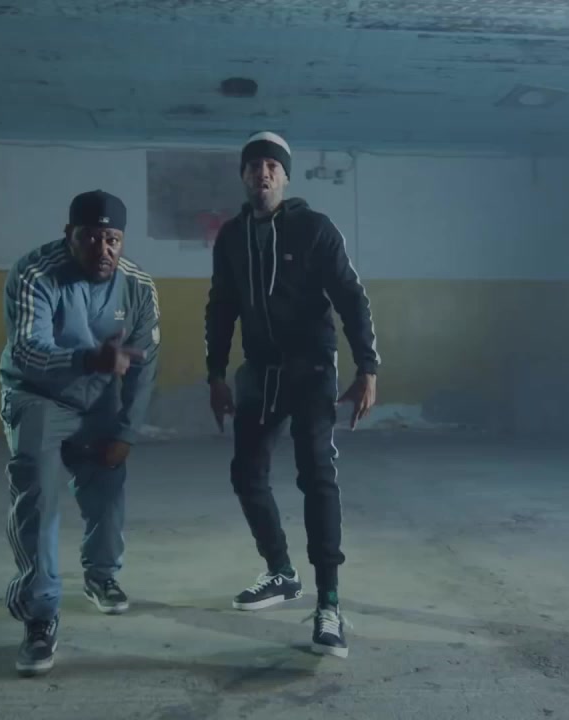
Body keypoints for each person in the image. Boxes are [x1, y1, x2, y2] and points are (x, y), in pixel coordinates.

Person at [204, 131, 380, 659]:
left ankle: (329, 603)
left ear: (284, 176)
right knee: (246, 474)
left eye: (272, 166)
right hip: (259, 372)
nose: (263, 173)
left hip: (311, 370)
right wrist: (215, 374)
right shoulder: (231, 237)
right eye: (254, 165)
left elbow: (350, 297)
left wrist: (367, 367)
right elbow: (221, 307)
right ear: (243, 175)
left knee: (316, 477)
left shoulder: (313, 229)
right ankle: (281, 572)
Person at [0, 189, 161, 677]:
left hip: (99, 401)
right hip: (38, 395)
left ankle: (101, 576)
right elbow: (28, 350)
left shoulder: (137, 286)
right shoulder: (35, 273)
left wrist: (127, 431)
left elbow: (145, 366)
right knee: (39, 496)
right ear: (69, 235)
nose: (103, 249)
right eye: (90, 237)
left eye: (113, 240)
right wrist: (90, 359)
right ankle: (40, 614)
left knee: (107, 489)